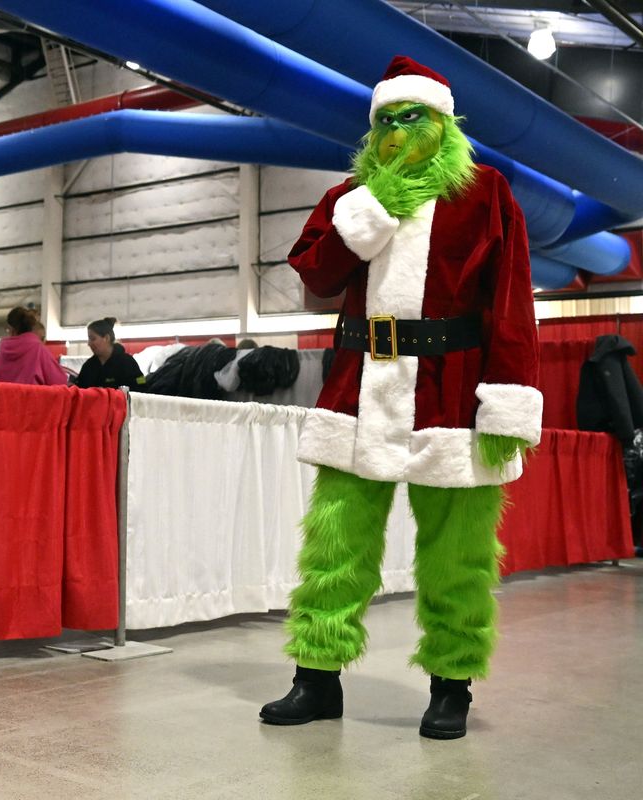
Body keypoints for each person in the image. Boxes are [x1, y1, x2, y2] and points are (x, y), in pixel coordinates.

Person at [260, 56, 540, 740]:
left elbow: (510, 304)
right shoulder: (352, 196)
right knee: (335, 547)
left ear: (443, 122)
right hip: (361, 390)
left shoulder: (486, 192)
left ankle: (452, 685)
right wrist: (373, 206)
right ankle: (316, 679)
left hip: (452, 397)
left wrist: (505, 405)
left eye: (411, 116)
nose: (397, 130)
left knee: (457, 555)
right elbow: (316, 275)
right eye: (385, 119)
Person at [0, 306, 67, 386]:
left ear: (12, 330)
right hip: (32, 398)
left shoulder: (1, 354)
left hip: (5, 398)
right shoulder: (38, 350)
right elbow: (60, 381)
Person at [76, 317, 144, 389]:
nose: (89, 343)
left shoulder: (128, 363)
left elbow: (142, 384)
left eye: (93, 339)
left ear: (106, 338)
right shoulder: (88, 366)